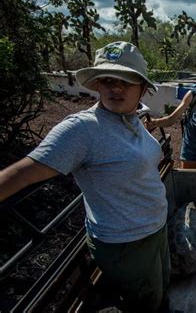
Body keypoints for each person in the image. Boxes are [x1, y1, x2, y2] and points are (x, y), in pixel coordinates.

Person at [0, 41, 169, 311]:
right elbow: (22, 173)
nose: (116, 88)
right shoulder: (82, 130)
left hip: (155, 228)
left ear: (142, 88)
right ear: (98, 84)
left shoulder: (132, 119)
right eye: (108, 80)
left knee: (159, 288)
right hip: (126, 242)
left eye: (126, 81)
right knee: (145, 303)